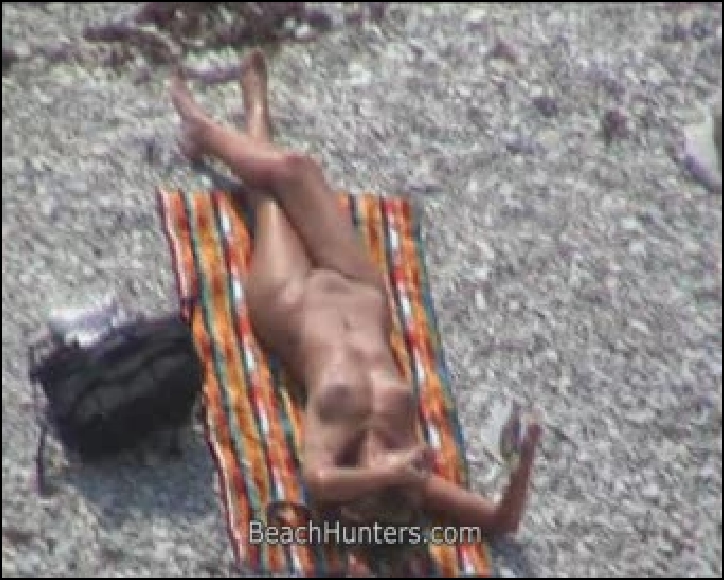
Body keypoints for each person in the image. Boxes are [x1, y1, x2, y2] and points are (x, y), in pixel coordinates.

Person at [169, 48, 542, 537]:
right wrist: (524, 460)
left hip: (291, 302)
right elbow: (501, 520)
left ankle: (209, 130)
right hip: (361, 290)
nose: (412, 467)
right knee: (297, 171)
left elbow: (317, 480)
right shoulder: (410, 474)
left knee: (267, 200)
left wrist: (385, 474)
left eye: (395, 477)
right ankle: (251, 114)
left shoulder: (340, 447)